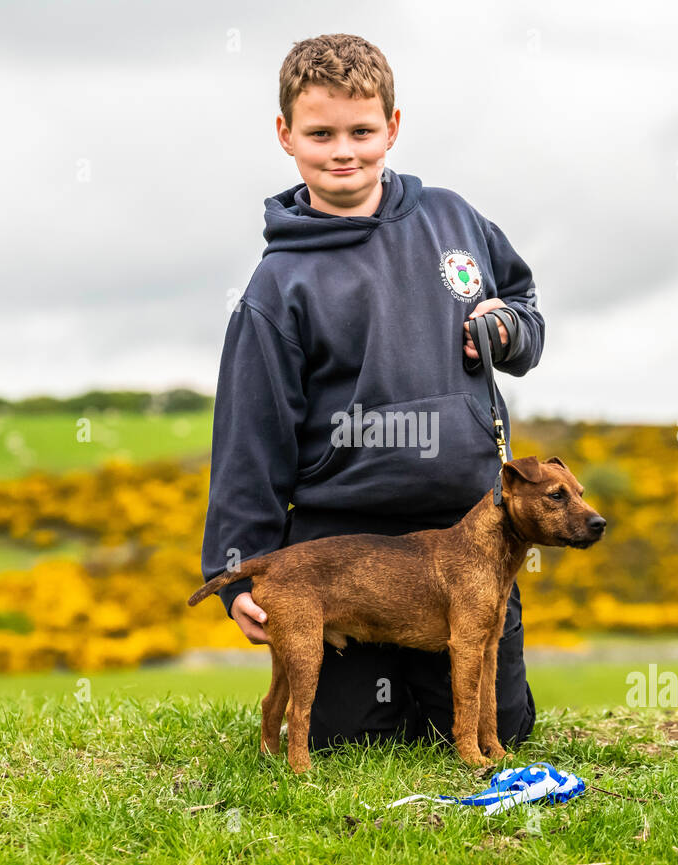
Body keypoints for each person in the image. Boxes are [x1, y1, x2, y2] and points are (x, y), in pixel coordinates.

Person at [200, 33, 545, 753]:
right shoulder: (276, 287)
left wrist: (508, 328)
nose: (343, 151)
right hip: (342, 555)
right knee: (351, 739)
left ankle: (447, 699)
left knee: (504, 727)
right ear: (285, 135)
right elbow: (248, 441)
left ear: (392, 126)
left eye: (362, 131)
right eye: (320, 134)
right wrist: (235, 575)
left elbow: (524, 304)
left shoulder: (453, 219)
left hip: (465, 537)